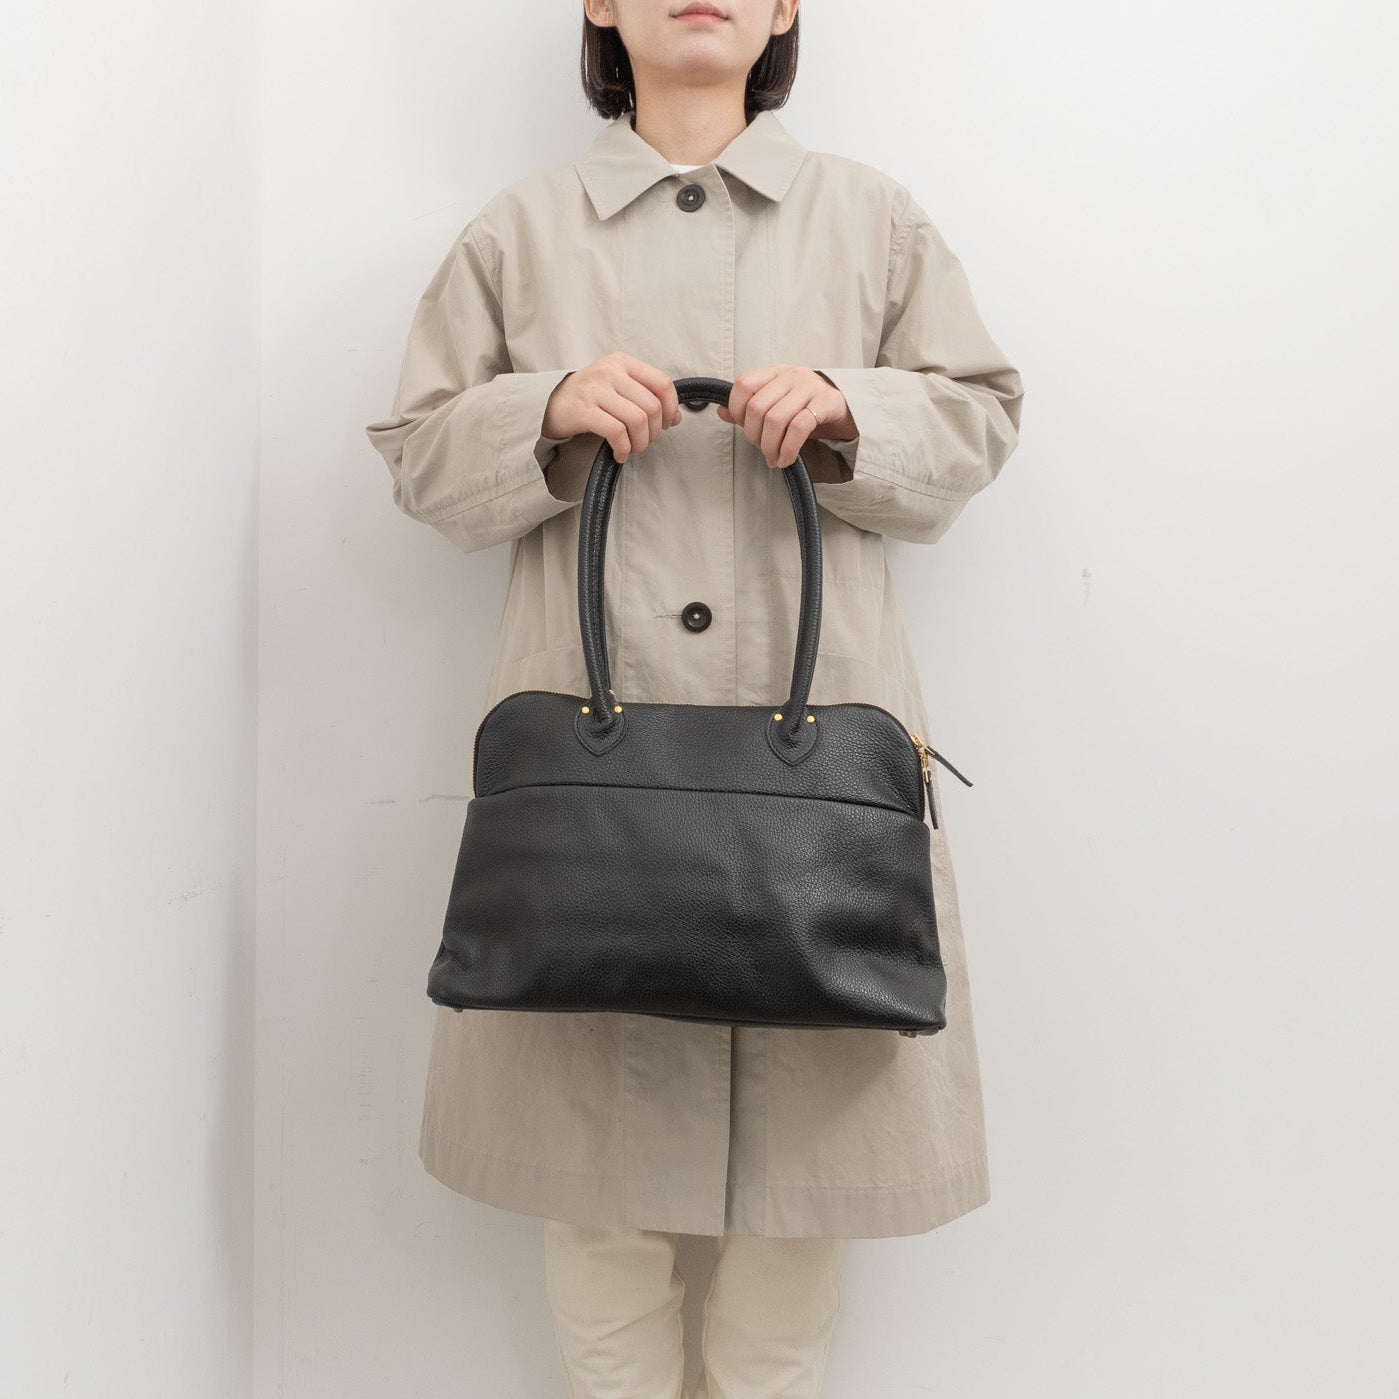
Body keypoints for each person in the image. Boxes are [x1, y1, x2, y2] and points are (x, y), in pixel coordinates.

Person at [364, 2, 1024, 1394]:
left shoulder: (872, 219)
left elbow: (980, 417)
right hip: (589, 798)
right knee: (597, 1217)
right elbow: (419, 455)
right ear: (598, 4)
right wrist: (544, 407)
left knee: (796, 1226)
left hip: (816, 785)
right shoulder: (520, 230)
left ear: (787, 10)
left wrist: (850, 405)